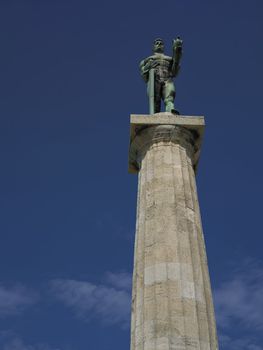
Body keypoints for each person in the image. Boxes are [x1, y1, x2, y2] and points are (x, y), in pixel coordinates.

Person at [139, 37, 183, 114]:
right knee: (156, 99)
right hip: (155, 79)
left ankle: (170, 109)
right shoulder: (146, 60)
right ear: (153, 47)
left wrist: (177, 51)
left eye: (161, 43)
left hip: (167, 79)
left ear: (163, 47)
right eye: (157, 43)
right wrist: (148, 66)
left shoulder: (170, 59)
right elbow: (143, 75)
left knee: (169, 95)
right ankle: (155, 113)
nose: (159, 44)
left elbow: (174, 72)